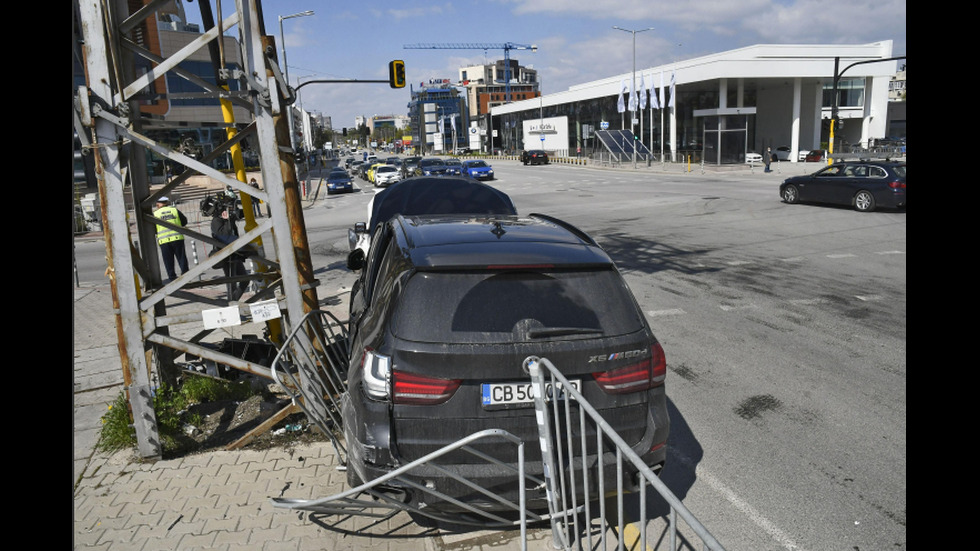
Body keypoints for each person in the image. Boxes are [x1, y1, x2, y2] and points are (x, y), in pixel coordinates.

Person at [211, 201, 249, 300]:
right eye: (231, 208)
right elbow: (224, 235)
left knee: (245, 279)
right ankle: (231, 304)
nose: (233, 211)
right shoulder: (216, 221)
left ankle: (233, 301)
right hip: (226, 256)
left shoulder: (230, 219)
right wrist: (227, 220)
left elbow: (241, 214)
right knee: (232, 283)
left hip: (235, 254)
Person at [153, 196, 189, 281]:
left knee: (168, 261)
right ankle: (186, 276)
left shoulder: (155, 214)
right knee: (181, 258)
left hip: (164, 241)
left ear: (158, 204)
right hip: (177, 238)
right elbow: (184, 221)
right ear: (167, 202)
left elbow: (153, 228)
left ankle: (172, 278)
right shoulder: (174, 210)